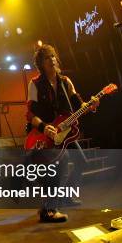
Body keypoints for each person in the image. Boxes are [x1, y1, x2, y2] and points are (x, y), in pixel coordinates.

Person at [26, 44, 98, 222]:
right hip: (46, 134)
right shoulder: (34, 84)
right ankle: (48, 211)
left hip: (65, 132)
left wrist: (90, 105)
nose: (51, 59)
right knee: (59, 166)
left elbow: (77, 103)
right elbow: (29, 114)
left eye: (53, 56)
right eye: (46, 58)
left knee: (81, 162)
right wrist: (44, 127)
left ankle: (65, 197)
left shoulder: (65, 81)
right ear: (41, 64)